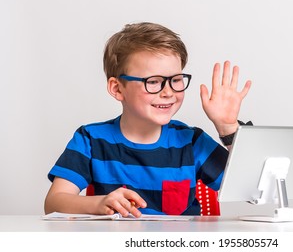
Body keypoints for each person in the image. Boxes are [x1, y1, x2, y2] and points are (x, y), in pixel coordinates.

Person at [44, 22, 251, 217]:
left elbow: (251, 189)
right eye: (153, 82)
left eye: (176, 80)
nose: (168, 92)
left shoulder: (192, 141)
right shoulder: (90, 139)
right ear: (117, 89)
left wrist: (228, 128)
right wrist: (99, 203)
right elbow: (54, 202)